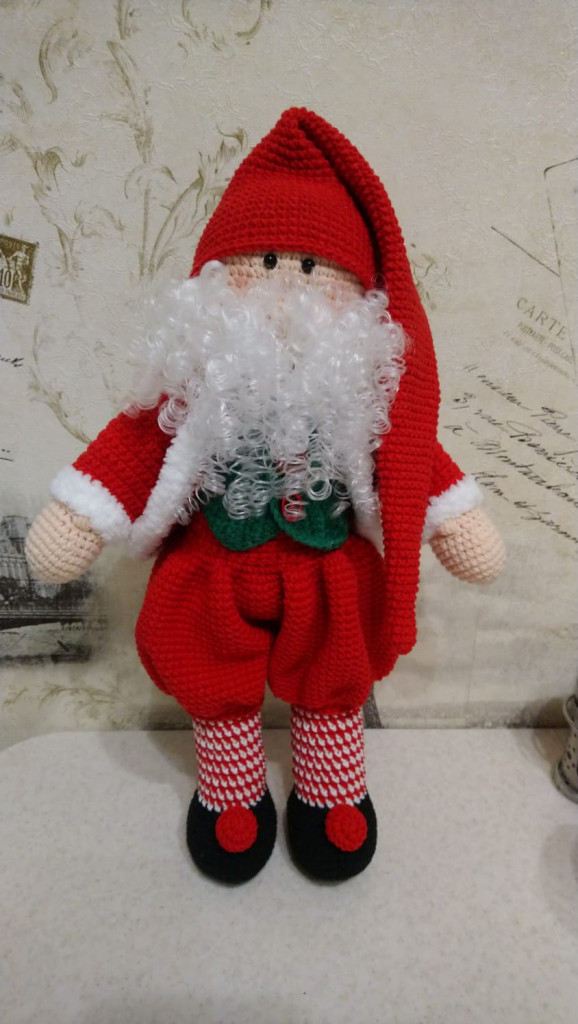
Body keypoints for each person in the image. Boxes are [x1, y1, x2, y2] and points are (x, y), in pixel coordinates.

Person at [26, 108, 506, 883]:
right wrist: (77, 517)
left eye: (312, 268)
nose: (287, 288)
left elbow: (414, 458)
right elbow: (132, 448)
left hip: (329, 576)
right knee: (209, 667)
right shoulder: (193, 390)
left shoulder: (363, 402)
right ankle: (232, 785)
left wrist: (458, 522)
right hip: (211, 574)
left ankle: (329, 786)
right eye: (269, 261)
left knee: (333, 672)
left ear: (363, 301)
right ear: (212, 285)